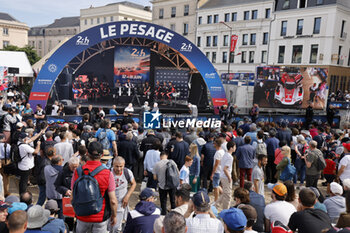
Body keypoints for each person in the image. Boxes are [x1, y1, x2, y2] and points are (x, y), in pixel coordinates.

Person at [71, 142, 118, 233]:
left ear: (87, 153)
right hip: (100, 216)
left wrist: (76, 211)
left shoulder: (78, 172)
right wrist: (114, 215)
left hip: (82, 216)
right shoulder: (107, 173)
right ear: (102, 155)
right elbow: (113, 200)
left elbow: (72, 197)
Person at [111, 157, 136, 233]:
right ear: (113, 165)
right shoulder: (109, 173)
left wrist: (127, 196)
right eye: (117, 166)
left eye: (121, 166)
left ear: (124, 165)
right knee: (109, 226)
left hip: (121, 203)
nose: (119, 169)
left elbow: (134, 184)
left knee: (117, 226)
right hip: (110, 204)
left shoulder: (127, 172)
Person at [216, 141, 235, 210]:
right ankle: (225, 210)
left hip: (223, 176)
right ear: (231, 148)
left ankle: (216, 205)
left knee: (224, 193)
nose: (235, 148)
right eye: (234, 147)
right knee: (228, 195)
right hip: (226, 177)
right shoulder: (230, 157)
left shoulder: (225, 154)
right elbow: (225, 169)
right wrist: (229, 178)